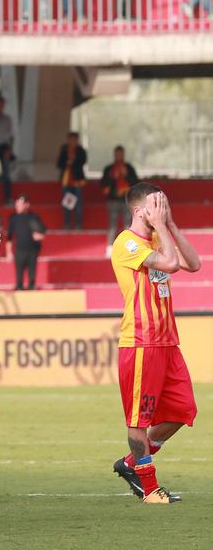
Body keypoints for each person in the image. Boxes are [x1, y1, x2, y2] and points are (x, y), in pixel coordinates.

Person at [108, 184, 200, 506]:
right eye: (155, 204)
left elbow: (193, 263)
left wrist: (170, 225)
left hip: (167, 342)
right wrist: (162, 226)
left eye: (164, 203)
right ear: (138, 211)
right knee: (138, 421)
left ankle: (131, 464)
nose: (161, 208)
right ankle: (150, 490)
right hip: (141, 342)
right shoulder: (126, 242)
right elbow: (172, 265)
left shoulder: (160, 235)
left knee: (184, 410)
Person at [100, 145, 140, 248]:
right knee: (112, 224)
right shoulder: (109, 169)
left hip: (126, 200)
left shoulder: (129, 168)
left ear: (123, 155)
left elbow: (136, 183)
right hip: (113, 200)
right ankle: (110, 246)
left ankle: (128, 247)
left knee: (128, 225)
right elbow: (103, 184)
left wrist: (126, 175)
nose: (119, 156)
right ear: (114, 155)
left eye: (121, 154)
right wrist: (113, 177)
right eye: (117, 154)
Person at [7, 194, 45, 290]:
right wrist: (8, 252)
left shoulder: (34, 217)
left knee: (32, 272)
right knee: (19, 273)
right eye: (17, 204)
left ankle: (31, 288)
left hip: (33, 249)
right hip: (19, 249)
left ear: (27, 205)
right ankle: (19, 288)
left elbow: (42, 231)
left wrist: (40, 236)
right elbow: (9, 237)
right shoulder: (14, 218)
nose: (18, 207)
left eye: (21, 204)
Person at [56, 131, 87, 230]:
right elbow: (59, 164)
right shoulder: (64, 150)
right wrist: (67, 162)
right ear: (68, 140)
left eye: (75, 139)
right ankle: (67, 224)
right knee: (67, 204)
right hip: (67, 180)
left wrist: (74, 160)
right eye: (71, 139)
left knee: (78, 204)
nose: (73, 141)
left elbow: (83, 161)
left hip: (77, 180)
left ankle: (78, 225)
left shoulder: (81, 150)